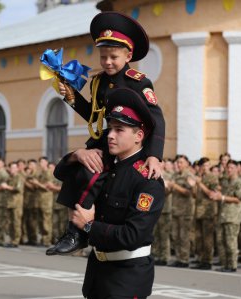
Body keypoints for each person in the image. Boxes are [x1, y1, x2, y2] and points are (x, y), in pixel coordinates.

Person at [48, 11, 166, 255]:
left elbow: (157, 119)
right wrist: (70, 96)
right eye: (103, 57)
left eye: (114, 57)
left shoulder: (139, 82)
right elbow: (94, 115)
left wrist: (155, 156)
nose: (108, 62)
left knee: (93, 171)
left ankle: (78, 231)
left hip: (127, 140)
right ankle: (73, 230)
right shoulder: (98, 82)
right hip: (106, 137)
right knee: (77, 168)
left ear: (128, 55)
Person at [55, 87, 164, 298]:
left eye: (119, 130)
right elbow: (62, 173)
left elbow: (132, 235)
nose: (110, 136)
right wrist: (76, 155)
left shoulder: (147, 179)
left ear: (139, 136)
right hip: (97, 272)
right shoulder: (106, 165)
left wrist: (88, 225)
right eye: (110, 128)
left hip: (128, 277)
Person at [212, 159, 241, 272]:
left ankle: (232, 265)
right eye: (228, 168)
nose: (229, 170)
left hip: (233, 216)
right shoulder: (226, 182)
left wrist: (222, 198)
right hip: (223, 215)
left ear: (237, 169)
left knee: (231, 242)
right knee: (222, 241)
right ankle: (225, 264)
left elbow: (239, 199)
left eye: (232, 168)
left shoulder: (239, 183)